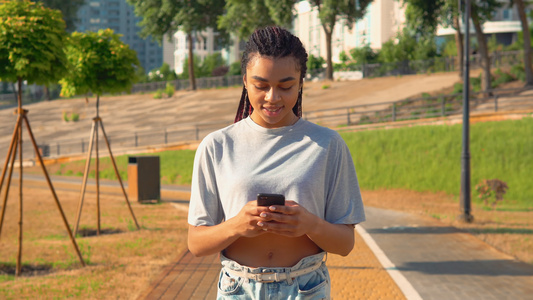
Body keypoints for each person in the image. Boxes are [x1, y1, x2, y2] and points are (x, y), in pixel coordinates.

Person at [188, 26, 365, 299]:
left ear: (301, 82)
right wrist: (236, 225)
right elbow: (196, 243)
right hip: (238, 288)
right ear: (245, 81)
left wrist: (310, 225)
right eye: (261, 85)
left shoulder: (328, 144)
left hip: (306, 287)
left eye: (286, 86)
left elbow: (345, 244)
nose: (273, 97)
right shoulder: (216, 146)